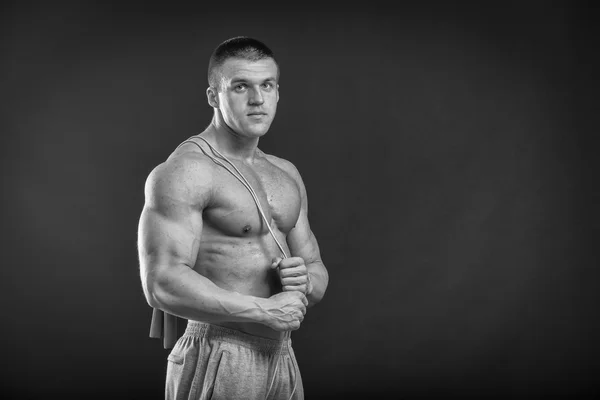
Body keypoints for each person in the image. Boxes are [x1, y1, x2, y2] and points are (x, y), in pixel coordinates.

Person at [137, 36, 329, 400]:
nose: (257, 99)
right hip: (220, 350)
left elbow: (317, 274)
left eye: (267, 85)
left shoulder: (285, 173)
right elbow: (161, 283)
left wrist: (303, 280)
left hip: (282, 355)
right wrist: (264, 311)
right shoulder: (186, 171)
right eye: (241, 86)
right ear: (214, 96)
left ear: (277, 92)